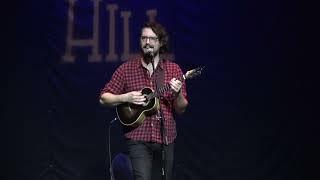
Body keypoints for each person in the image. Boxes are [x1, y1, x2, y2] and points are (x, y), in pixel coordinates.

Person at [99, 21, 188, 180]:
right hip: (138, 138)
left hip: (166, 138)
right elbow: (104, 98)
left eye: (152, 39)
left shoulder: (173, 70)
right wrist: (125, 97)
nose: (147, 42)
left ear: (160, 43)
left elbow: (181, 109)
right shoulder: (126, 69)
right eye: (143, 38)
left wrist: (178, 92)